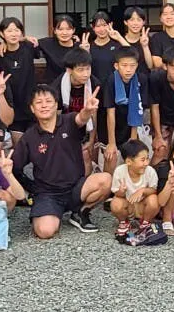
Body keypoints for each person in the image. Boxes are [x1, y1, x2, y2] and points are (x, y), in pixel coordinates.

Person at [12, 84, 112, 239]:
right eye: (39, 102)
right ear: (32, 108)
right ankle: (51, 213)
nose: (44, 105)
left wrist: (87, 110)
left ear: (56, 104)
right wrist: (31, 188)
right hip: (47, 194)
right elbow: (15, 167)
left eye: (48, 101)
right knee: (44, 231)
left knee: (105, 179)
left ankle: (81, 212)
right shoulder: (29, 137)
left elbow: (81, 118)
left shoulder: (69, 121)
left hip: (76, 187)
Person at [52, 48, 100, 175]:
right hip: (64, 127)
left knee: (86, 156)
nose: (85, 74)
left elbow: (94, 114)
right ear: (69, 70)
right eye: (80, 70)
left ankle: (85, 183)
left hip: (86, 128)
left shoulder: (94, 84)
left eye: (88, 69)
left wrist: (92, 139)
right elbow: (55, 116)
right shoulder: (57, 86)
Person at [100, 47, 146, 172]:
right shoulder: (110, 81)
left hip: (130, 125)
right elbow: (110, 112)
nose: (128, 69)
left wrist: (133, 138)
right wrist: (111, 143)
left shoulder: (141, 79)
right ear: (116, 66)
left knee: (133, 156)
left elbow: (138, 109)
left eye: (132, 65)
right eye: (124, 65)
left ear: (137, 65)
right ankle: (108, 183)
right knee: (111, 156)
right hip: (111, 126)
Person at [0, 17, 38, 143]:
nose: (13, 34)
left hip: (31, 104)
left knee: (36, 143)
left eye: (17, 30)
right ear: (1, 33)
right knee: (19, 146)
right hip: (13, 105)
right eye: (9, 31)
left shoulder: (29, 46)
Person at [109, 140, 160, 237]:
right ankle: (124, 222)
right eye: (143, 160)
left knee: (154, 200)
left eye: (147, 159)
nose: (146, 163)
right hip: (128, 205)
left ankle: (145, 222)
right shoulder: (120, 171)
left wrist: (143, 190)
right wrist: (121, 191)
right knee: (115, 203)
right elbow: (116, 193)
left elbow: (154, 190)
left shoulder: (150, 171)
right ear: (129, 161)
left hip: (142, 206)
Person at [35, 14, 81, 84]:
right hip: (53, 86)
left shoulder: (79, 46)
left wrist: (86, 51)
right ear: (54, 31)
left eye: (68, 29)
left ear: (73, 30)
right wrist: (25, 38)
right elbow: (29, 44)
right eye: (60, 29)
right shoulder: (48, 43)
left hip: (74, 86)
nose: (64, 33)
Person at [87, 11, 127, 86]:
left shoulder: (117, 45)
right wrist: (85, 51)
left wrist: (119, 38)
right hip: (94, 87)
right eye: (98, 26)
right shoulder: (88, 47)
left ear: (110, 25)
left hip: (114, 86)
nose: (102, 29)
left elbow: (132, 54)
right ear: (93, 27)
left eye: (105, 25)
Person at [119, 6, 155, 80]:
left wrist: (145, 46)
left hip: (144, 81)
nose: (135, 23)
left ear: (143, 22)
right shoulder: (119, 41)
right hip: (124, 81)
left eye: (139, 20)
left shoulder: (149, 40)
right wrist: (119, 38)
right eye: (132, 20)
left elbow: (150, 66)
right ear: (125, 22)